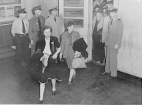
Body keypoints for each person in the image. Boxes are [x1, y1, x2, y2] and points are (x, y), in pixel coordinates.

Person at [30, 26, 61, 104]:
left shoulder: (54, 39)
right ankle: (41, 98)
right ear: (43, 33)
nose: (48, 34)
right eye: (46, 32)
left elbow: (59, 47)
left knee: (53, 76)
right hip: (43, 59)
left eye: (49, 32)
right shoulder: (39, 41)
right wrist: (43, 57)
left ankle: (53, 88)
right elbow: (38, 52)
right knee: (42, 79)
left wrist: (56, 54)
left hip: (52, 59)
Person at [104, 7, 123, 79]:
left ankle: (113, 74)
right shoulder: (110, 22)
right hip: (109, 43)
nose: (111, 15)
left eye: (112, 13)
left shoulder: (119, 22)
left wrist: (117, 44)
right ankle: (107, 71)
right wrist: (106, 41)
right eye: (110, 13)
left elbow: (120, 35)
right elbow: (108, 33)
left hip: (114, 44)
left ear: (115, 13)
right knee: (108, 57)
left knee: (113, 59)